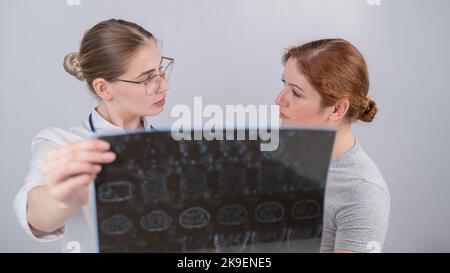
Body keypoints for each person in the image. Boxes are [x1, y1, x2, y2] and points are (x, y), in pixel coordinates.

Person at [14, 18, 173, 252]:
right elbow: (35, 214)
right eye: (147, 78)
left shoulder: (173, 147)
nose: (164, 86)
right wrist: (62, 198)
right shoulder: (60, 144)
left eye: (161, 70)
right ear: (103, 88)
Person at [275, 38, 390, 253]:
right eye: (284, 85)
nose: (279, 99)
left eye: (296, 92)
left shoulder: (363, 192)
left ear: (337, 109)